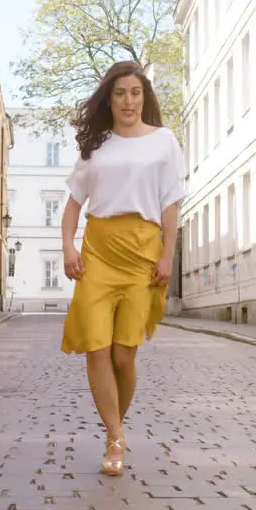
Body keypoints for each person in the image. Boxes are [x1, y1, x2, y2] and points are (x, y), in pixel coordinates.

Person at [60, 60, 186, 477]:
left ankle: (115, 426)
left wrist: (168, 254)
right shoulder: (95, 145)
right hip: (98, 250)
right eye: (120, 93)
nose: (128, 101)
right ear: (109, 99)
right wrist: (68, 248)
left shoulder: (164, 142)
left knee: (123, 353)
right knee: (97, 348)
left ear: (144, 97)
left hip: (142, 251)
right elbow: (74, 204)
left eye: (135, 92)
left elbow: (171, 203)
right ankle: (115, 437)